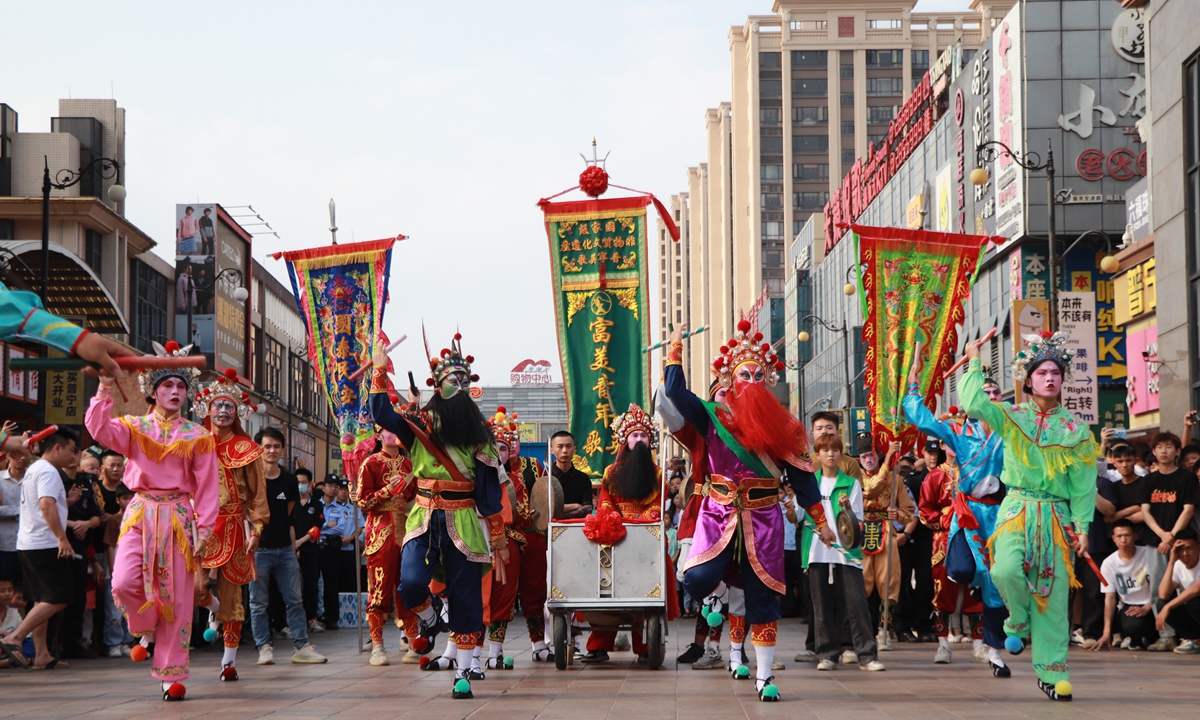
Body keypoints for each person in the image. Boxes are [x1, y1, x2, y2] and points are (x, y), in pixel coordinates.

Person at [666, 320, 829, 701]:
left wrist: (821, 521)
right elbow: (674, 390)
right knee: (696, 577)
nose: (751, 380)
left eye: (758, 374)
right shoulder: (712, 416)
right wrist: (676, 346)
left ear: (768, 379)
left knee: (762, 601)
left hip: (765, 519)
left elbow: (804, 482)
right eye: (744, 374)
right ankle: (718, 590)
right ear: (730, 379)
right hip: (718, 514)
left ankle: (765, 677)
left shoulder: (787, 427)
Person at [960, 331, 1097, 702]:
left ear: (1063, 379)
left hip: (1056, 515)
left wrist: (1082, 527)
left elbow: (1084, 485)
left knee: (1053, 594)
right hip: (1017, 507)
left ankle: (1053, 674)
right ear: (1028, 378)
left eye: (1055, 372)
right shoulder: (1011, 415)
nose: (1049, 377)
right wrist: (974, 360)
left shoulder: (1076, 429)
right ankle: (1017, 616)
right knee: (1004, 569)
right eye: (1042, 372)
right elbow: (973, 403)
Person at [368, 333, 504, 700]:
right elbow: (381, 414)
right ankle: (429, 617)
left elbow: (490, 490)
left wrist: (499, 534)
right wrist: (379, 370)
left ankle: (462, 671)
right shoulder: (419, 424)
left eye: (464, 382)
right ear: (437, 386)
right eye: (451, 381)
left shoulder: (481, 434)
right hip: (425, 514)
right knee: (410, 583)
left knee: (466, 597)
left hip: (463, 518)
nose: (458, 387)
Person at [191, 370, 270, 682]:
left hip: (236, 527)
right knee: (196, 588)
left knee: (235, 598)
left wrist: (257, 530)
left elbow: (258, 495)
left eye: (230, 407)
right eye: (218, 406)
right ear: (207, 410)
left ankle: (228, 661)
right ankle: (213, 607)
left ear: (237, 413)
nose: (223, 412)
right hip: (200, 528)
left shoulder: (246, 449)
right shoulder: (193, 443)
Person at [580, 404, 674, 664]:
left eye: (644, 435)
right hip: (615, 535)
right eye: (635, 436)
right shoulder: (611, 472)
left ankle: (645, 647)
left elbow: (658, 506)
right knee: (606, 589)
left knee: (646, 590)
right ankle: (599, 646)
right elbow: (605, 502)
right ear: (625, 440)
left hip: (646, 537)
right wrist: (615, 521)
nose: (640, 440)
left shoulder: (657, 474)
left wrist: (642, 521)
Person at [801, 433, 885, 673]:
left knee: (857, 603)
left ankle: (867, 655)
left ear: (841, 454)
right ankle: (827, 654)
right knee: (821, 607)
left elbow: (857, 518)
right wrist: (788, 508)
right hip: (817, 552)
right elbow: (797, 517)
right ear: (818, 455)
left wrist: (847, 506)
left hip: (847, 552)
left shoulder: (851, 483)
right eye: (825, 450)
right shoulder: (809, 483)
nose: (830, 454)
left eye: (835, 450)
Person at [0, 430, 78, 670]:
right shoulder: (47, 471)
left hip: (28, 543)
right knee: (60, 597)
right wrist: (61, 538)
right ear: (57, 448)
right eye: (72, 450)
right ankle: (15, 637)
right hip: (44, 544)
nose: (74, 456)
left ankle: (42, 653)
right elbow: (46, 504)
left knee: (42, 599)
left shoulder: (34, 468)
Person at [249, 428, 327, 667]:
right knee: (258, 602)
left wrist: (293, 548)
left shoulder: (290, 480)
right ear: (258, 448)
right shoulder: (251, 477)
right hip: (258, 549)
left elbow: (289, 515)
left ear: (283, 449)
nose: (272, 451)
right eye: (267, 446)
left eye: (276, 446)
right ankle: (264, 646)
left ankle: (301, 646)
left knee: (295, 600)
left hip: (284, 549)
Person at [483, 407, 552, 666]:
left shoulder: (534, 467)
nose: (508, 447)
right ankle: (494, 651)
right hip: (504, 538)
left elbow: (546, 498)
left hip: (532, 536)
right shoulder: (487, 473)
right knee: (501, 593)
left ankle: (539, 645)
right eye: (501, 444)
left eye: (512, 441)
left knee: (535, 591)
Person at [353, 423, 419, 666]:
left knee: (409, 586)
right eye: (388, 430)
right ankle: (377, 646)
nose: (394, 433)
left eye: (397, 429)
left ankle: (413, 641)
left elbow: (416, 497)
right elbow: (362, 501)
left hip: (409, 530)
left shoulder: (409, 464)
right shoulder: (371, 464)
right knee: (379, 590)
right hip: (381, 532)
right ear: (379, 436)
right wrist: (386, 492)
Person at [1139, 431, 1197, 651]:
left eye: (1169, 447)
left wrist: (1171, 536)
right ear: (1153, 452)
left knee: (1184, 588)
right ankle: (1166, 635)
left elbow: (1188, 510)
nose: (1164, 451)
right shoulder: (1149, 480)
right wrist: (1162, 535)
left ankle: (1189, 636)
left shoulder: (1186, 478)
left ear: (1177, 451)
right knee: (1157, 590)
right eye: (1159, 447)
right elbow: (1145, 511)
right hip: (1155, 542)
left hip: (1182, 542)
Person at [856, 438, 912, 651]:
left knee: (889, 579)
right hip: (862, 533)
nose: (868, 460)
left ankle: (883, 630)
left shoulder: (895, 479)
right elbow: (869, 490)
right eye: (863, 457)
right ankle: (864, 629)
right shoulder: (856, 477)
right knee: (862, 580)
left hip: (886, 530)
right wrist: (888, 461)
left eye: (871, 455)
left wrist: (896, 513)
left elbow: (909, 512)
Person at [60, 448, 102, 659]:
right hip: (58, 540)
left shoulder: (85, 482)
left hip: (81, 544)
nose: (73, 457)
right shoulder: (54, 478)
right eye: (69, 451)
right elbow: (46, 510)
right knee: (56, 595)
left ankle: (74, 643)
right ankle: (51, 644)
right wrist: (70, 523)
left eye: (76, 452)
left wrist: (85, 524)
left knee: (79, 594)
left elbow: (96, 516)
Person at [1093, 520, 1158, 650]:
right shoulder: (1109, 563)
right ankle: (1133, 638)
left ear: (1135, 536)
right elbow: (1110, 598)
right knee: (1133, 626)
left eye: (1127, 535)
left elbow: (1161, 587)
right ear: (1113, 538)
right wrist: (1106, 633)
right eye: (1119, 536)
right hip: (1129, 606)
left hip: (1153, 603)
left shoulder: (1148, 554)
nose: (1123, 540)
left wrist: (1147, 607)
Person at [319, 478, 360, 633]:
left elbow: (340, 527)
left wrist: (322, 528)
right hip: (315, 546)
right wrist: (326, 525)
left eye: (339, 487)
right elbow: (312, 524)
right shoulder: (317, 504)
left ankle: (332, 617)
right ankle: (315, 616)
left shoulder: (344, 508)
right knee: (314, 584)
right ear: (323, 487)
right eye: (332, 486)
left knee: (332, 584)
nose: (337, 490)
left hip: (335, 547)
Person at [101, 483, 135, 657]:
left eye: (132, 498)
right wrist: (114, 570)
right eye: (124, 498)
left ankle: (127, 640)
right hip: (115, 572)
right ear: (117, 500)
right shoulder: (114, 521)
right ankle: (113, 642)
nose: (129, 502)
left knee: (130, 609)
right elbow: (110, 547)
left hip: (134, 572)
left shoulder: (139, 519)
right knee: (114, 609)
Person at [291, 469, 325, 635]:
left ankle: (312, 618)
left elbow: (317, 528)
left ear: (310, 484)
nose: (300, 486)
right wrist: (293, 545)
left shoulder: (317, 504)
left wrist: (301, 542)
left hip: (309, 549)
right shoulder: (291, 503)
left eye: (303, 482)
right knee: (292, 587)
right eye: (297, 482)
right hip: (290, 549)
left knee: (312, 584)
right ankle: (289, 622)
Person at [1155, 529, 1200, 653]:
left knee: (1194, 602)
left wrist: (1168, 607)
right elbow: (1164, 594)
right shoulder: (1178, 565)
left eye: (1189, 548)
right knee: (1161, 603)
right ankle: (1195, 639)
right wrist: (1171, 562)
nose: (1185, 553)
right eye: (1180, 549)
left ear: (1198, 548)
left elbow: (1195, 590)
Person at [0, 436, 32, 582]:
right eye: (17, 455)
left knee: (26, 588)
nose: (22, 458)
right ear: (8, 457)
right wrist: (24, 510)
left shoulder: (33, 479)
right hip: (4, 544)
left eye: (25, 454)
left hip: (29, 544)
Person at [550, 431, 593, 519]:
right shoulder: (545, 477)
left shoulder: (583, 478)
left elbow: (588, 508)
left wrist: (560, 513)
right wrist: (575, 506)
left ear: (574, 449)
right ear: (552, 450)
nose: (565, 451)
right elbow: (545, 509)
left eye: (568, 446)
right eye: (560, 447)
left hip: (577, 527)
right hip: (550, 529)